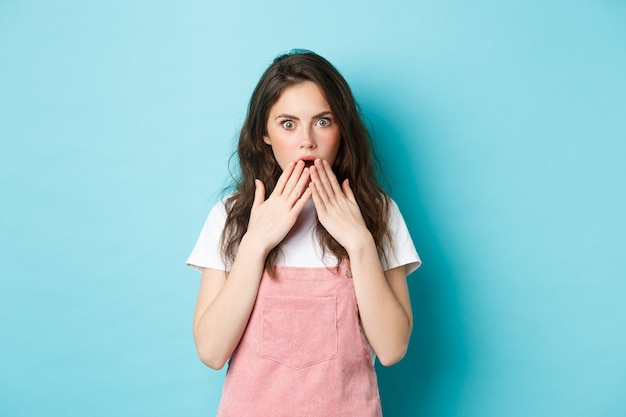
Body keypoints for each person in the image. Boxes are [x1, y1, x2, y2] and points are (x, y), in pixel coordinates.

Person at [187, 49, 421, 417]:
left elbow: (392, 349)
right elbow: (212, 351)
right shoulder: (230, 216)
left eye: (323, 121)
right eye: (288, 124)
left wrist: (358, 242)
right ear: (264, 133)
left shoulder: (379, 213)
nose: (307, 141)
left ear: (342, 128)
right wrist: (257, 241)